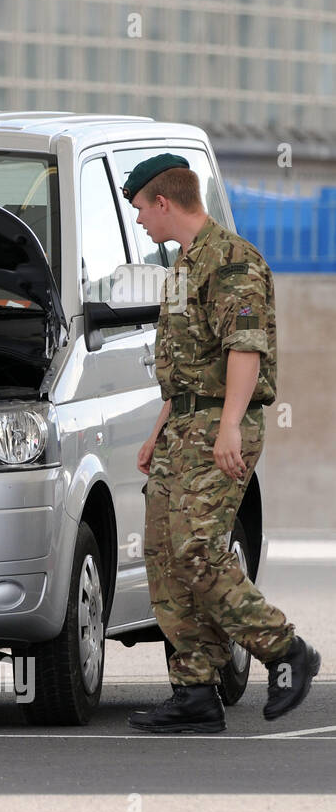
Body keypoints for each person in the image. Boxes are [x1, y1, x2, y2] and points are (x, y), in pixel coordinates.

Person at [122, 153, 320, 734]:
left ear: (164, 201)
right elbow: (189, 362)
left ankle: (285, 650)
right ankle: (195, 691)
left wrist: (231, 423)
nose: (139, 222)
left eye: (140, 209)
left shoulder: (231, 260)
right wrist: (159, 429)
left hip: (219, 425)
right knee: (162, 553)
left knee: (198, 550)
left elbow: (244, 347)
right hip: (183, 425)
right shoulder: (183, 265)